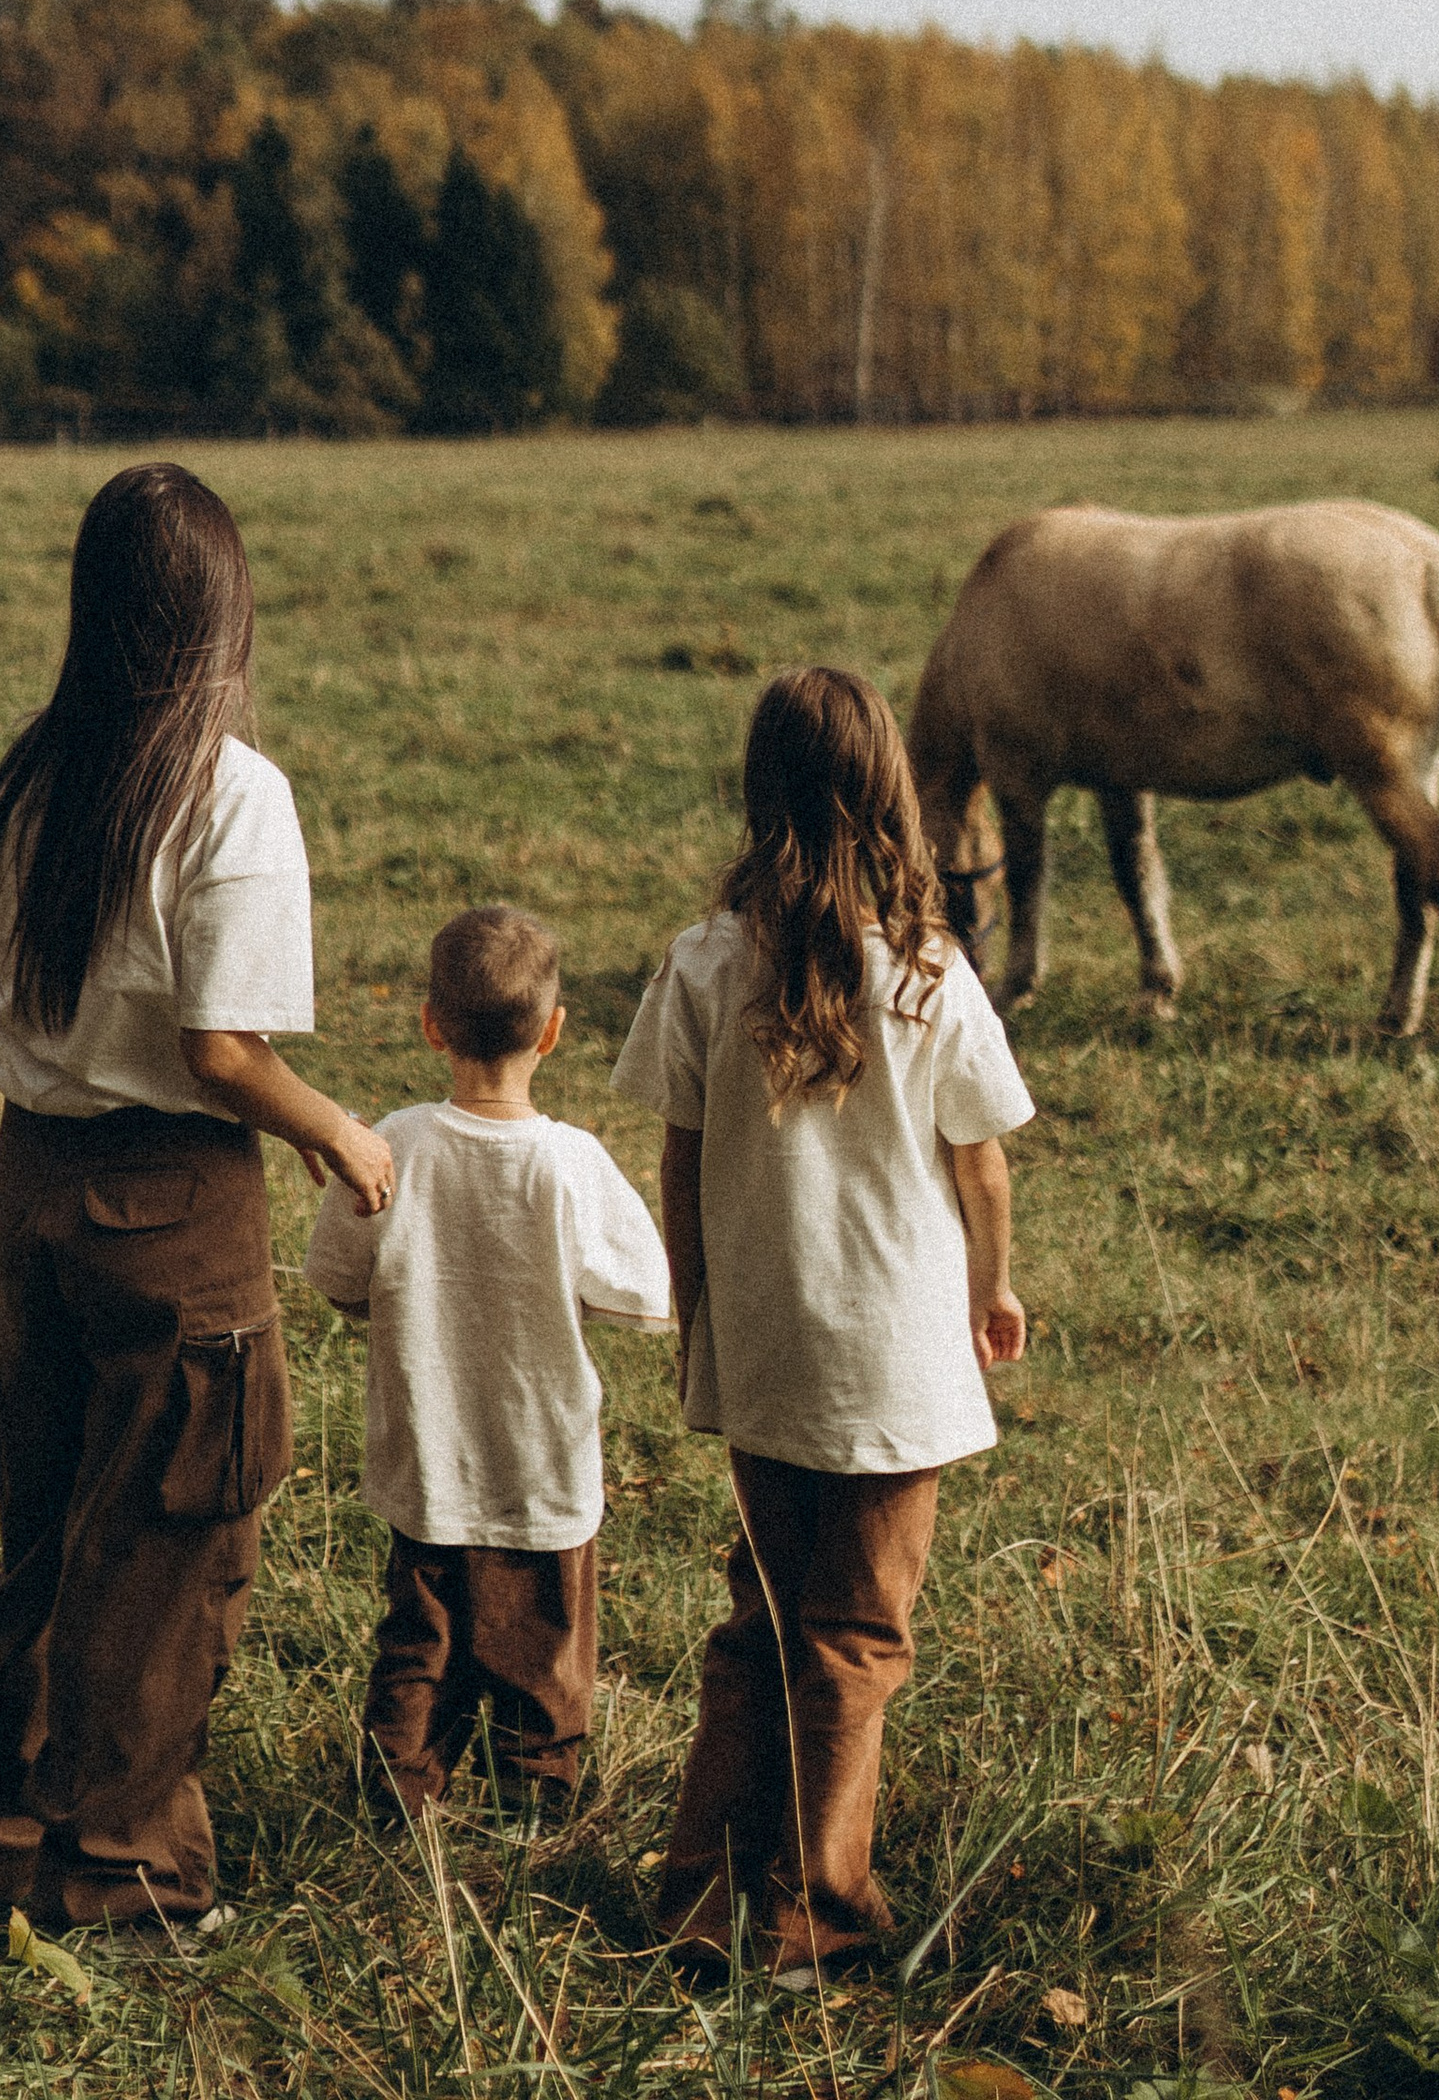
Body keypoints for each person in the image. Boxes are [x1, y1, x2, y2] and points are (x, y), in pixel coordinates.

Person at [0, 462, 394, 1939]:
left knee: (50, 1517)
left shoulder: (35, 772)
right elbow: (221, 1052)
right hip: (172, 1202)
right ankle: (121, 1872)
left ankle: (2, 1822)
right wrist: (337, 1130)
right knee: (174, 1542)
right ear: (217, 617)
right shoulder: (230, 796)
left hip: (33, 1187)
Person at [612, 664, 1031, 1987]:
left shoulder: (701, 963)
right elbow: (982, 1165)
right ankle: (815, 1921)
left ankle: (698, 1894)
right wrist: (992, 1289)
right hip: (893, 1365)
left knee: (763, 1622)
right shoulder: (926, 974)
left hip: (764, 1351)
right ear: (891, 796)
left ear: (759, 796)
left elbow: (679, 1162)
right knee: (856, 1637)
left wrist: (696, 1302)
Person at [305, 901, 672, 1821]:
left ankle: (394, 1813)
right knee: (545, 1662)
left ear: (430, 1025)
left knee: (417, 1654)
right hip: (542, 1472)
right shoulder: (571, 1165)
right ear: (555, 1030)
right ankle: (537, 1825)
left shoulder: (395, 1144)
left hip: (426, 1464)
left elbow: (337, 1278)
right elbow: (646, 1294)